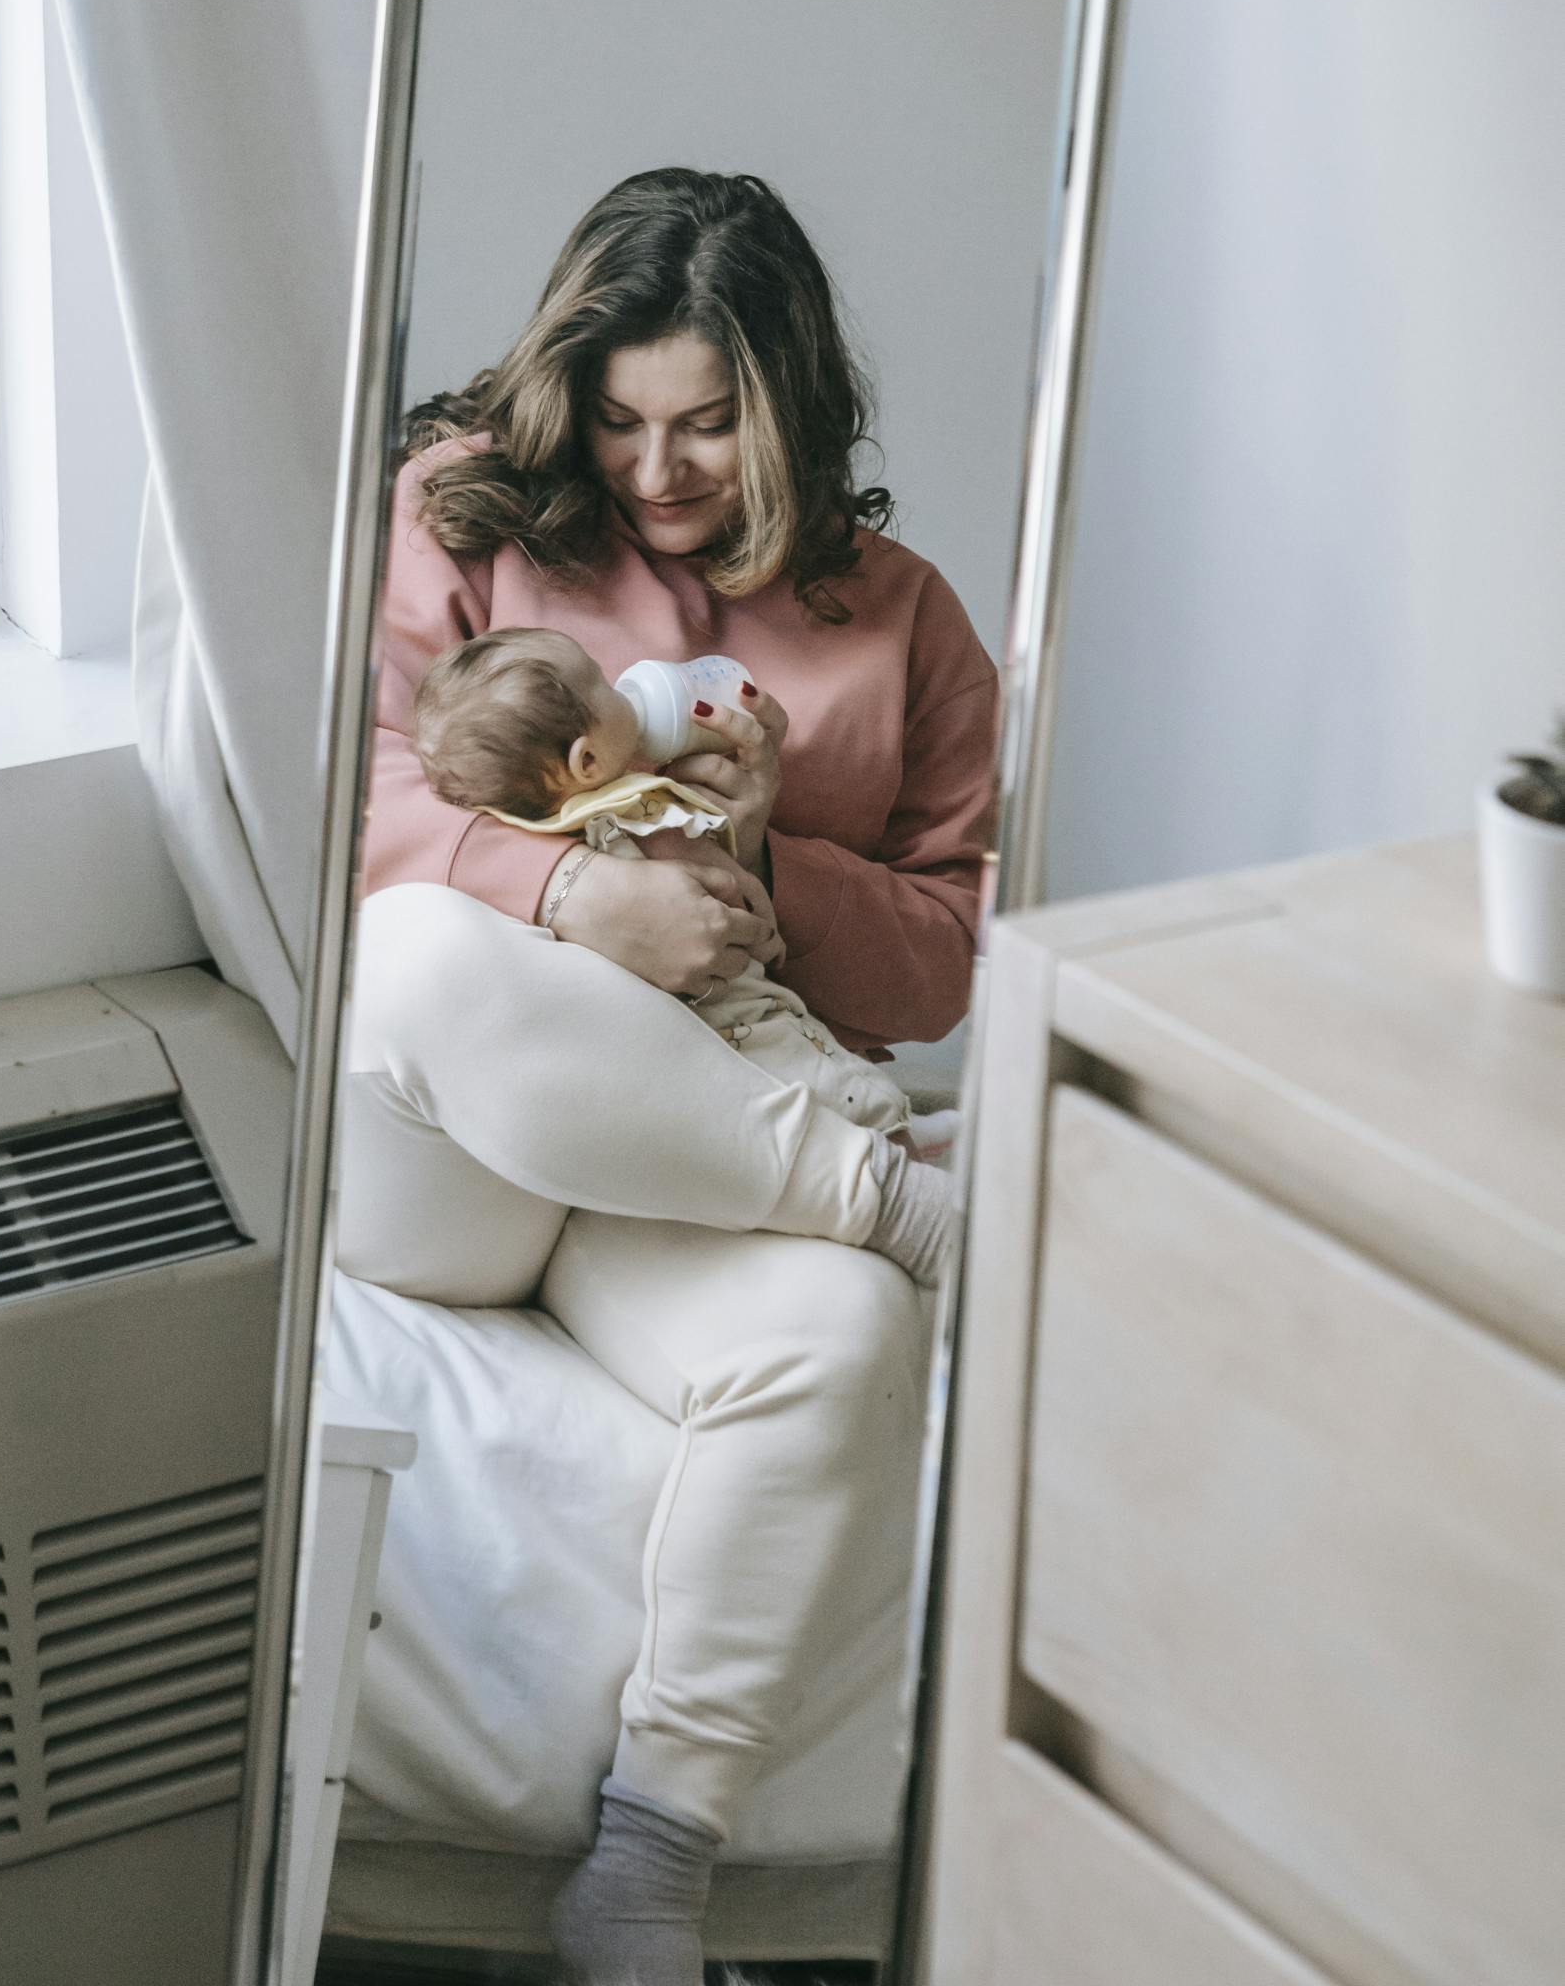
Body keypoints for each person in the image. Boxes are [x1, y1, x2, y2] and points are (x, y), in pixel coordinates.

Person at [340, 167, 997, 1984]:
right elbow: (358, 802)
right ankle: (889, 1195)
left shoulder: (905, 624)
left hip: (695, 1168)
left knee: (847, 1340)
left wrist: (769, 878)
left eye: (709, 423)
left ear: (791, 402)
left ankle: (651, 1864)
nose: (658, 471)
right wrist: (573, 890)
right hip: (472, 1162)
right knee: (415, 948)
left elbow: (952, 944)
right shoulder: (463, 512)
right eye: (624, 421)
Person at [410, 622, 961, 1163]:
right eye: (601, 682)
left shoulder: (528, 825)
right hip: (725, 1013)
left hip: (624, 1048)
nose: (621, 681)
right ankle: (902, 1154)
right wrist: (760, 917)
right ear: (588, 761)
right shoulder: (643, 811)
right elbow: (726, 889)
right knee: (817, 1078)